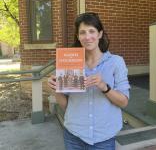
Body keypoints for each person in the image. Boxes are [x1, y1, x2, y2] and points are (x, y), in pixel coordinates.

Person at [48, 12, 130, 150]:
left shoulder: (116, 62)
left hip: (103, 138)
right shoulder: (70, 62)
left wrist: (104, 87)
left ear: (100, 34)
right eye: (82, 33)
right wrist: (56, 88)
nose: (87, 37)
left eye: (92, 31)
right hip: (74, 136)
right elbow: (66, 106)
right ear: (78, 36)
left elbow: (124, 102)